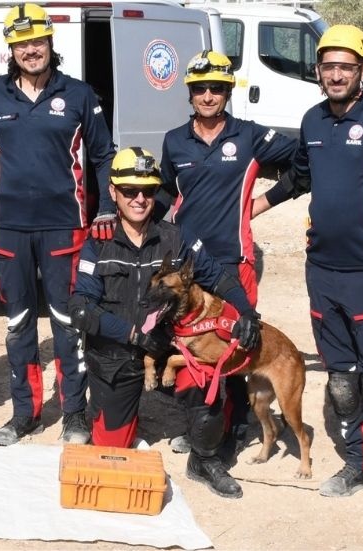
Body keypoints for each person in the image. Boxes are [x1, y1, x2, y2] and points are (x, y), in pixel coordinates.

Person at [253, 24, 363, 526]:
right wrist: (255, 206)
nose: (336, 74)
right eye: (328, 66)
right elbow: (301, 178)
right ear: (318, 71)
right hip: (321, 269)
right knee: (340, 381)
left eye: (345, 67)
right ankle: (356, 464)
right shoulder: (311, 120)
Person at [0, 3, 116, 446]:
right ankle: (24, 414)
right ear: (11, 48)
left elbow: (102, 154)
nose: (31, 50)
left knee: (68, 321)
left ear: (50, 42)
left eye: (38, 41)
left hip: (64, 226)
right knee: (19, 323)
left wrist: (106, 208)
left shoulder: (80, 94)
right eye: (22, 43)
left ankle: (74, 415)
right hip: (8, 229)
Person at [69, 147, 261, 499]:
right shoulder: (97, 244)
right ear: (113, 191)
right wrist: (133, 335)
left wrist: (246, 311)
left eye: (148, 190)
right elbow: (81, 309)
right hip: (117, 358)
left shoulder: (177, 237)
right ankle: (113, 414)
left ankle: (203, 459)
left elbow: (219, 277)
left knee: (208, 385)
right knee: (111, 449)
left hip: (172, 350)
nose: (139, 199)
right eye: (129, 191)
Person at [160, 50, 298, 453]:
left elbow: (303, 160)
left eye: (216, 88)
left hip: (235, 261)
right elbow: (167, 193)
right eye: (200, 89)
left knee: (238, 349)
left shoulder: (249, 135)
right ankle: (203, 425)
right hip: (190, 268)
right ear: (190, 93)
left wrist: (267, 201)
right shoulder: (174, 141)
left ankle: (233, 431)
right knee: (193, 347)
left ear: (227, 92)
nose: (208, 96)